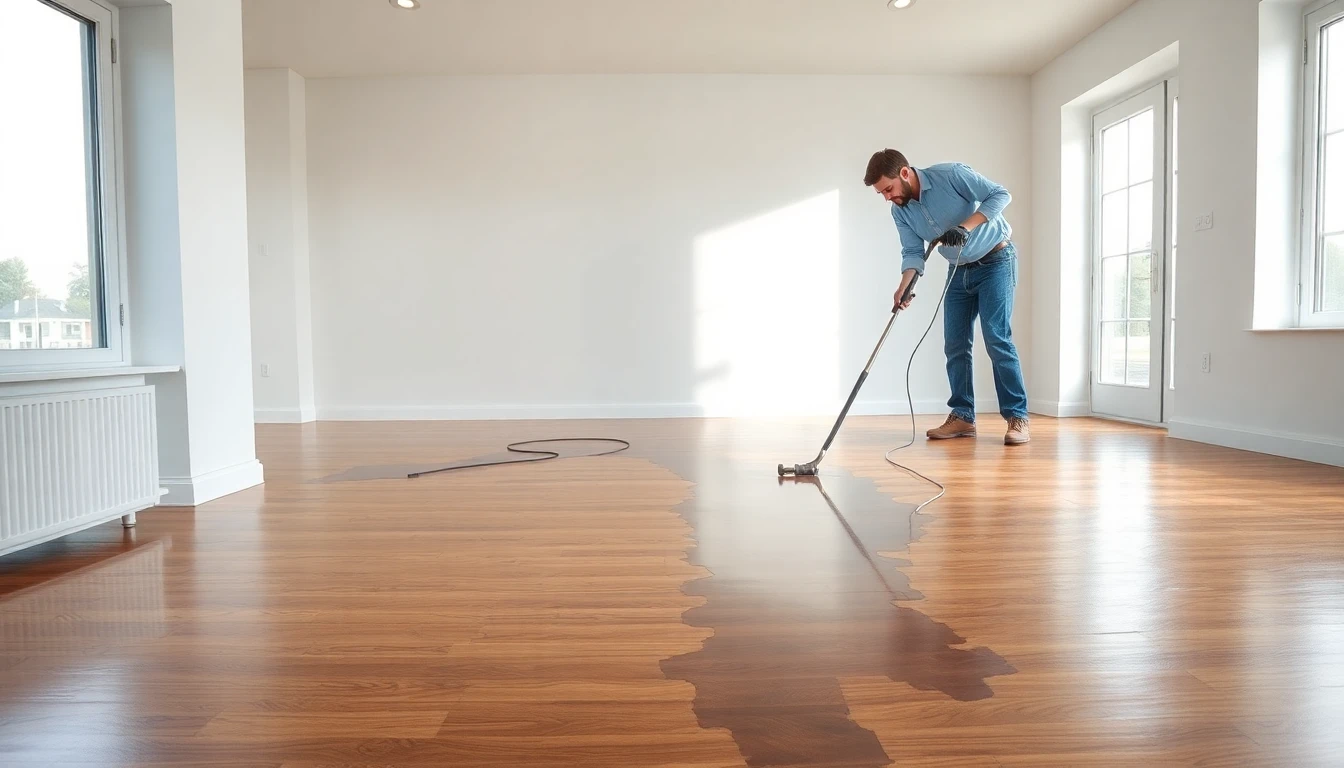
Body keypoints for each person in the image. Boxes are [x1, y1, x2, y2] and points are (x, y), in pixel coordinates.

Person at [864, 149, 1030, 445]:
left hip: (996, 259)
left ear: (904, 173)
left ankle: (1017, 416)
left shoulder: (950, 175)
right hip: (958, 270)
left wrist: (965, 227)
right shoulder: (900, 211)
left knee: (996, 338)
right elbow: (914, 252)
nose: (887, 197)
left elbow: (1000, 195)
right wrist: (905, 285)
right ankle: (963, 417)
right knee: (955, 343)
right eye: (881, 193)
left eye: (888, 189)